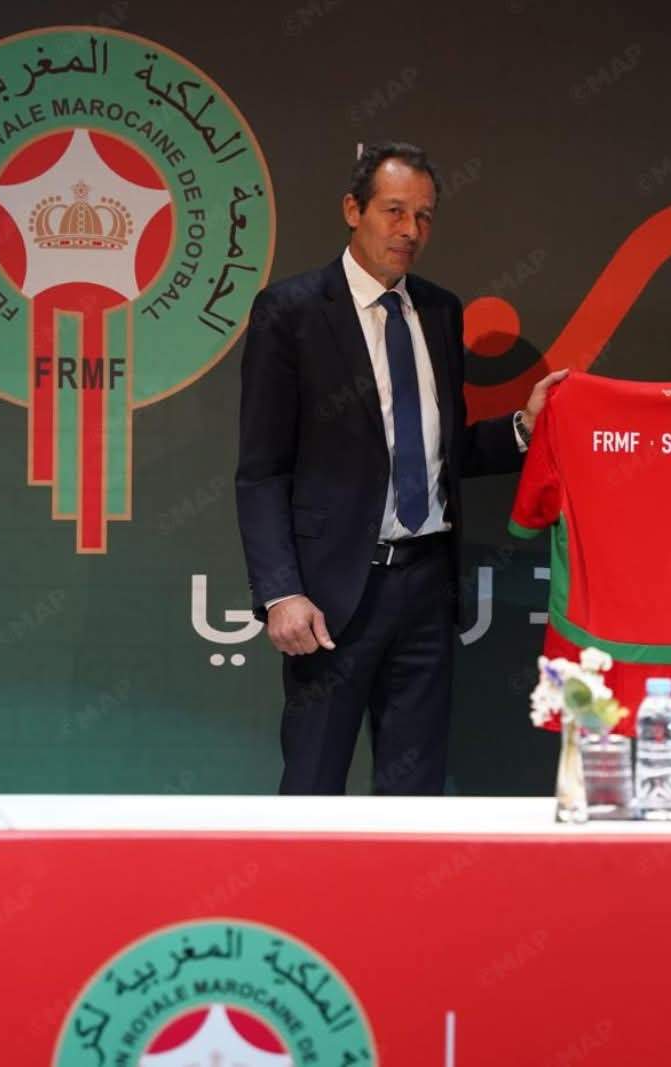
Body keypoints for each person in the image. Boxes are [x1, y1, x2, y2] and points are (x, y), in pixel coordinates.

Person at [235, 142, 565, 795]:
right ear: (352, 210)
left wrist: (524, 428)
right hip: (331, 597)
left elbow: (439, 452)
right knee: (313, 789)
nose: (410, 230)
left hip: (426, 590)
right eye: (394, 211)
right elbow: (262, 470)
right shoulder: (291, 311)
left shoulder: (440, 311)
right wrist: (281, 592)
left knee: (415, 800)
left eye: (424, 216)